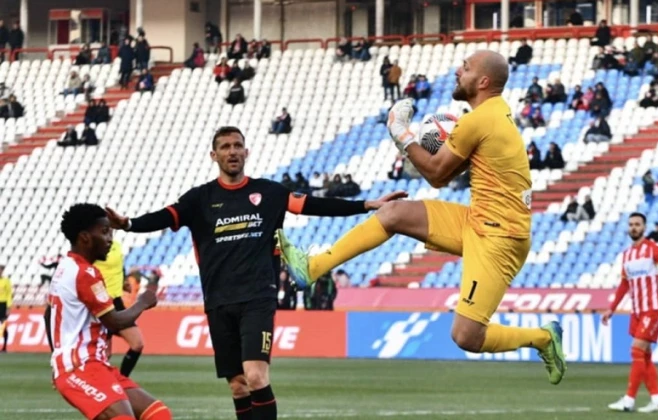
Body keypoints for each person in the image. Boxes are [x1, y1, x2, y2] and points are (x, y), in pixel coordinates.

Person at [277, 50, 567, 385]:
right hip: (480, 220)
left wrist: (399, 131)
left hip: (499, 237)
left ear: (484, 81)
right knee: (394, 212)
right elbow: (444, 175)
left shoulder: (480, 119)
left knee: (466, 336)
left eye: (466, 67)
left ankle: (543, 338)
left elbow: (435, 174)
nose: (458, 71)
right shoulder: (491, 115)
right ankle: (313, 267)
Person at [104, 126, 404, 420]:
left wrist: (366, 205)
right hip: (219, 300)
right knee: (238, 387)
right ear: (213, 155)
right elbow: (164, 216)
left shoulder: (269, 192)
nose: (232, 151)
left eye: (237, 146)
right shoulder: (199, 199)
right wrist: (129, 224)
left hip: (257, 297)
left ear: (246, 152)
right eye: (225, 147)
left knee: (256, 376)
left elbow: (313, 204)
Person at [43, 204, 170, 420]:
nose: (110, 238)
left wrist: (57, 356)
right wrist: (143, 302)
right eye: (104, 232)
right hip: (80, 367)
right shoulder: (85, 274)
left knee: (158, 414)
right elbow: (114, 322)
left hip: (95, 365)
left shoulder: (66, 267)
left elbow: (48, 314)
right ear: (85, 237)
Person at [603, 212, 658, 413]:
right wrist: (611, 309)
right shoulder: (626, 255)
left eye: (637, 224)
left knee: (636, 350)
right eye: (631, 224)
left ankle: (629, 400)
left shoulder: (655, 250)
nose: (634, 227)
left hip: (653, 308)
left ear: (644, 227)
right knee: (645, 356)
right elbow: (624, 285)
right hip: (637, 310)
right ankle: (657, 400)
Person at [94, 240, 145, 378]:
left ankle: (123, 380)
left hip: (116, 303)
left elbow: (119, 268)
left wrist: (123, 282)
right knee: (105, 354)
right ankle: (95, 388)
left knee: (137, 344)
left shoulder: (116, 245)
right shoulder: (93, 245)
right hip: (100, 303)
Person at [0, 264, 11, 352]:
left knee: (3, 326)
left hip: (3, 304)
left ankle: (4, 346)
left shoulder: (6, 281)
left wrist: (8, 307)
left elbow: (9, 295)